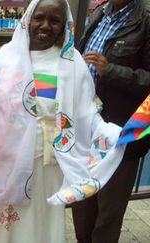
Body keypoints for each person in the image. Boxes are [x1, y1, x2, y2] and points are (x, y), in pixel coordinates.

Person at [0, 0, 128, 242]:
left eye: (54, 21)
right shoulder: (7, 56)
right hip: (8, 162)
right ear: (28, 18)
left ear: (64, 25)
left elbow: (87, 112)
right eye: (39, 18)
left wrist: (112, 134)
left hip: (47, 164)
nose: (45, 26)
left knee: (42, 221)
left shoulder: (73, 62)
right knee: (5, 225)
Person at [71, 0, 150, 242]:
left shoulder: (145, 20)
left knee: (107, 216)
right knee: (81, 207)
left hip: (120, 139)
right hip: (86, 133)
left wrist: (111, 70)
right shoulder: (99, 15)